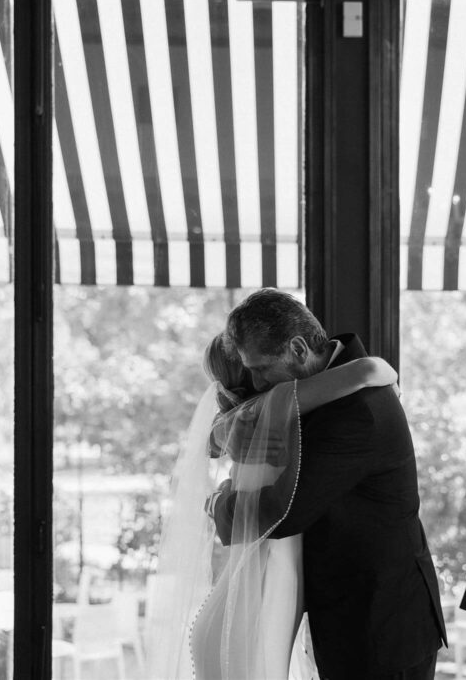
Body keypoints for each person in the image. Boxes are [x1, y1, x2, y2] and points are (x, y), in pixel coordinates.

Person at [206, 289, 448, 680]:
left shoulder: (355, 412)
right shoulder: (335, 386)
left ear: (299, 350)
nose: (257, 381)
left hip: (380, 627)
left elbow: (282, 513)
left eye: (262, 368)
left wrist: (217, 504)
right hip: (353, 616)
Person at [147, 333, 400, 679]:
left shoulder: (245, 420)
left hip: (240, 599)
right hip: (265, 593)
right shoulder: (278, 405)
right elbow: (369, 369)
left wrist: (216, 498)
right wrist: (392, 382)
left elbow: (213, 441)